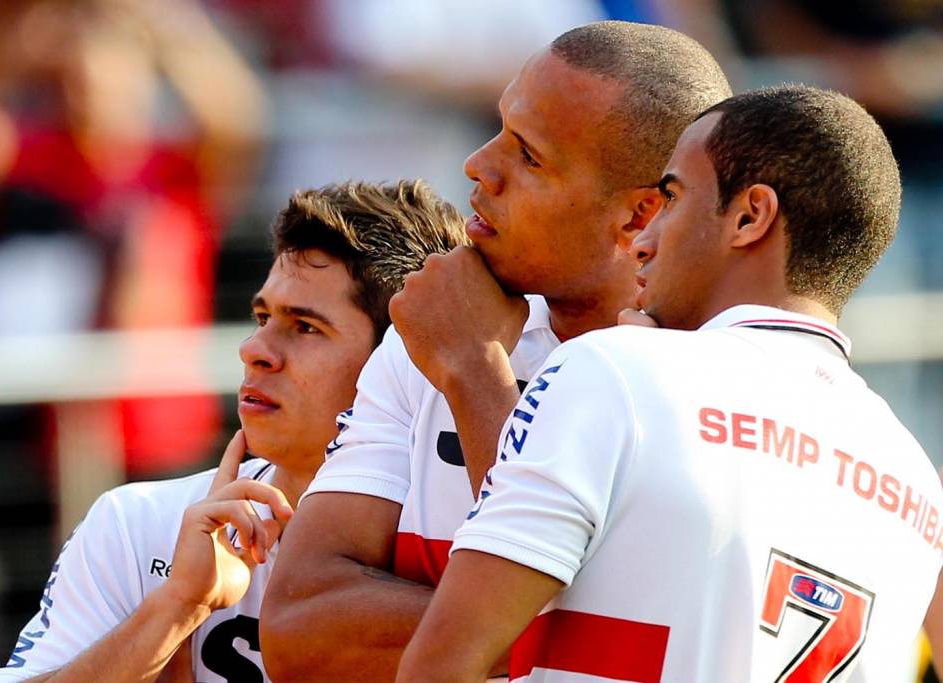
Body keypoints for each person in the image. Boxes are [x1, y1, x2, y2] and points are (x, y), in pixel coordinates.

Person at [397, 85, 943, 682]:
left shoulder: (615, 369)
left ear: (749, 216)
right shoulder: (915, 476)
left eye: (673, 197)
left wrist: (475, 366)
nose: (644, 238)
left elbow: (442, 663)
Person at [260, 20, 732, 682]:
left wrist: (475, 371)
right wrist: (539, 624)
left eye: (529, 155)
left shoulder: (723, 383)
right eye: (499, 126)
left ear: (639, 217)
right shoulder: (430, 329)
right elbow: (296, 632)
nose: (479, 164)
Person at [0, 180, 468, 682]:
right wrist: (175, 609)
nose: (255, 348)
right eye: (262, 316)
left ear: (404, 364)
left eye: (305, 327)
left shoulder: (474, 545)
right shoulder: (138, 524)